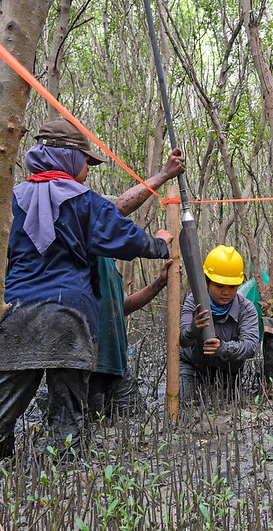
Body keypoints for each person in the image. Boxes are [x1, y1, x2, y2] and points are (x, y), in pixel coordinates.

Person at [0, 117, 173, 463]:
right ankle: (61, 471)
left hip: (15, 315)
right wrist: (159, 243)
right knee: (68, 413)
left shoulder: (7, 202)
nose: (88, 169)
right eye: (86, 161)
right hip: (68, 318)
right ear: (70, 160)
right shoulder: (85, 201)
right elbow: (128, 238)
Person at [89, 148, 184, 418]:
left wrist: (158, 284)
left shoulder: (108, 262)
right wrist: (165, 175)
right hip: (90, 366)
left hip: (116, 364)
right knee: (85, 433)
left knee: (133, 423)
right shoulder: (84, 255)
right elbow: (117, 207)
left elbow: (122, 307)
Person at [179, 245, 259, 404]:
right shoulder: (193, 302)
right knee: (187, 410)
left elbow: (250, 347)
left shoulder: (247, 309)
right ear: (207, 283)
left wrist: (224, 348)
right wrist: (194, 328)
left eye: (232, 286)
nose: (226, 292)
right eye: (219, 286)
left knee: (229, 411)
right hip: (193, 367)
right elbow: (182, 340)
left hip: (229, 372)